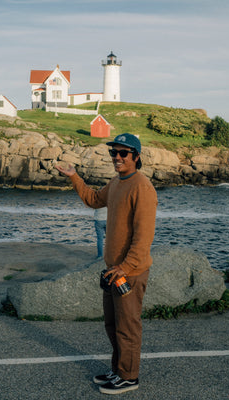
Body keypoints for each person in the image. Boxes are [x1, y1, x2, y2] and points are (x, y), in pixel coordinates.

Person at [55, 133, 157, 395]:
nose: (118, 157)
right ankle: (118, 370)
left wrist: (124, 267)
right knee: (112, 325)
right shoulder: (117, 182)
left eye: (124, 153)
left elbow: (143, 237)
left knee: (128, 326)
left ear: (136, 156)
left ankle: (129, 376)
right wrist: (73, 177)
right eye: (114, 153)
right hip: (114, 271)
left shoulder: (142, 187)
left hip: (129, 272)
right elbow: (93, 199)